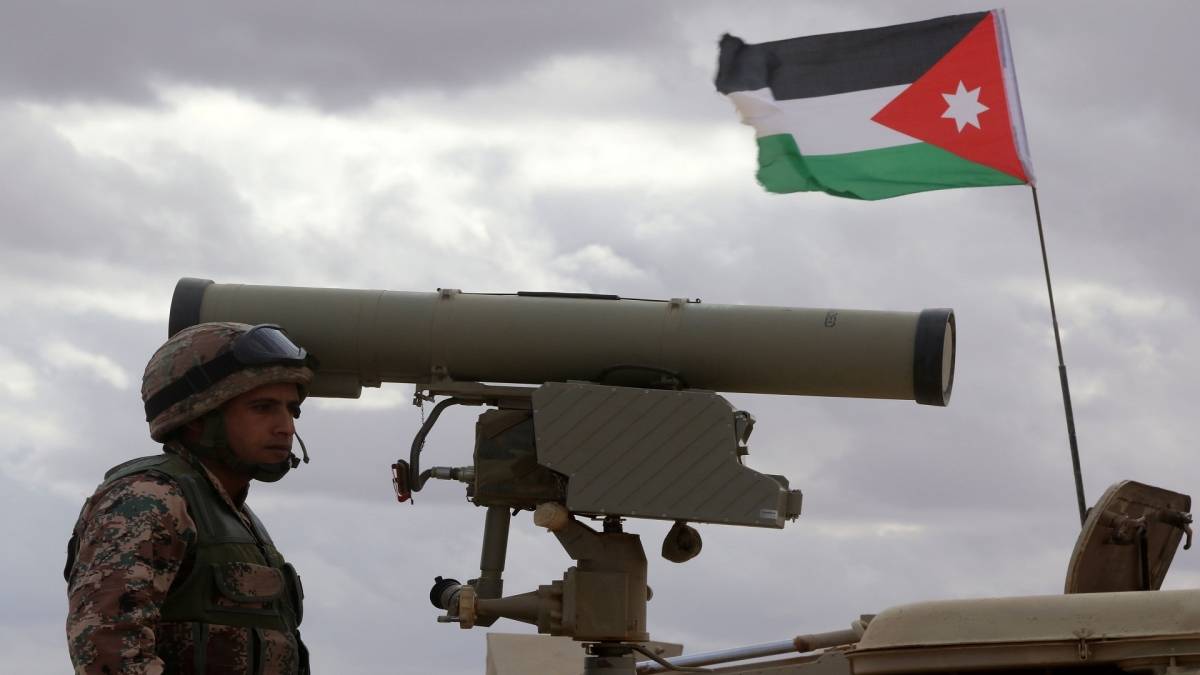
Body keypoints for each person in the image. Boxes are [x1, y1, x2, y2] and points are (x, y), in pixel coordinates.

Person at [65, 322, 316, 674]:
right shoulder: (150, 498)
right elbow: (109, 651)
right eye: (262, 408)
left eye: (292, 410)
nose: (285, 426)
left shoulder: (234, 515)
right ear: (199, 416)